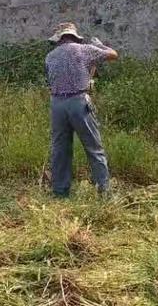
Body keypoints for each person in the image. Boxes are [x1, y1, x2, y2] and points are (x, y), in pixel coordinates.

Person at [45, 22, 118, 197]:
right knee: (94, 148)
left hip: (57, 104)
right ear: (74, 36)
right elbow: (114, 55)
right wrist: (99, 46)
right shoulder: (85, 49)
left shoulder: (49, 56)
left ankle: (60, 192)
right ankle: (104, 192)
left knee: (60, 149)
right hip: (78, 102)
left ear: (59, 38)